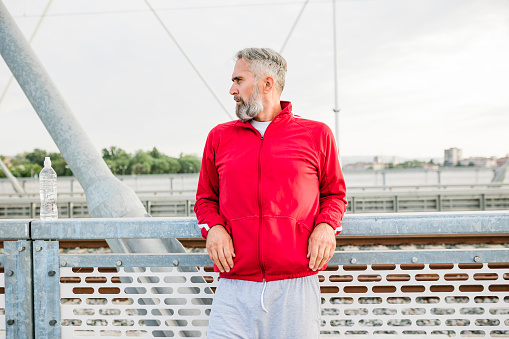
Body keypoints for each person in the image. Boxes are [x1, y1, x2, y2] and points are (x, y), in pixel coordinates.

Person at [194, 47, 347, 339]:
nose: (231, 89)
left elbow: (334, 194)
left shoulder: (316, 134)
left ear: (267, 83)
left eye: (238, 80)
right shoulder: (219, 137)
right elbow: (205, 199)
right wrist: (213, 228)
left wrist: (326, 226)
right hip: (234, 285)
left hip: (295, 284)